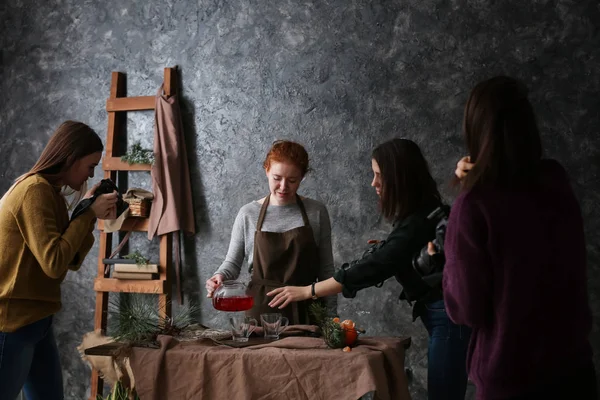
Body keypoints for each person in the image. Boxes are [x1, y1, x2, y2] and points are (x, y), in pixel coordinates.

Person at [268, 138, 471, 400]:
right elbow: (404, 251)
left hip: (449, 317)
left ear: (399, 178)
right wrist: (392, 248)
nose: (373, 183)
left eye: (378, 176)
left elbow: (371, 268)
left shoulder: (417, 222)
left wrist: (307, 292)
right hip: (445, 313)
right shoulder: (425, 209)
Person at [443, 76, 597, 400]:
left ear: (474, 128)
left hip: (512, 382)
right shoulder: (555, 180)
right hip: (575, 372)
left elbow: (465, 308)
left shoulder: (474, 206)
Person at [0, 120, 118, 400]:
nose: (90, 175)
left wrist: (86, 212)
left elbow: (71, 258)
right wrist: (87, 215)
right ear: (71, 159)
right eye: (89, 166)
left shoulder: (50, 193)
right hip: (11, 321)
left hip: (37, 320)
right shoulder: (34, 190)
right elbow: (54, 264)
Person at [205, 140, 337, 323]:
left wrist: (331, 318)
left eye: (292, 180)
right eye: (277, 178)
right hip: (260, 313)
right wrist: (219, 276)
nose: (283, 187)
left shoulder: (316, 212)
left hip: (308, 311)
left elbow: (327, 271)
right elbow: (232, 264)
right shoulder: (248, 214)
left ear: (302, 177)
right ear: (266, 170)